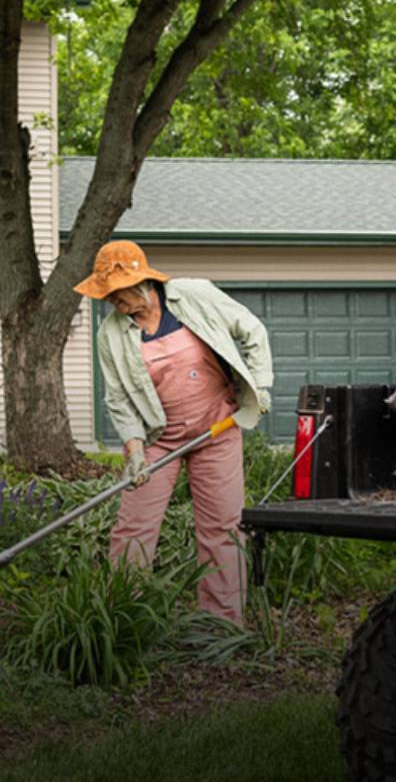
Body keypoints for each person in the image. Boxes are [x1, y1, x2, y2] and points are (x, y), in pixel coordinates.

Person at [74, 240, 273, 625]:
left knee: (222, 526)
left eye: (116, 294)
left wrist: (260, 385)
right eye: (107, 296)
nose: (111, 302)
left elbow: (251, 329)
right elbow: (118, 399)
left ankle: (221, 624)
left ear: (141, 284)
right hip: (155, 438)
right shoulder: (110, 333)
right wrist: (133, 452)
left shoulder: (195, 295)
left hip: (217, 428)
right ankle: (124, 618)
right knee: (134, 527)